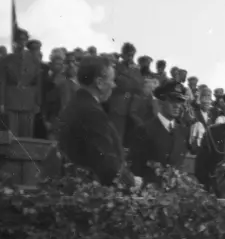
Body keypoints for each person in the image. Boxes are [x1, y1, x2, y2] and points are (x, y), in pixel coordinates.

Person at [55, 55, 139, 188]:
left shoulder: (75, 104)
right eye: (111, 80)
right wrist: (132, 181)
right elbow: (106, 163)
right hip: (90, 193)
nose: (114, 85)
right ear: (99, 83)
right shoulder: (92, 113)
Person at [127, 79, 191, 183]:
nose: (177, 105)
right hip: (150, 193)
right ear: (161, 102)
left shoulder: (183, 132)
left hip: (174, 193)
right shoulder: (144, 130)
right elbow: (135, 168)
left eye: (180, 101)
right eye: (172, 100)